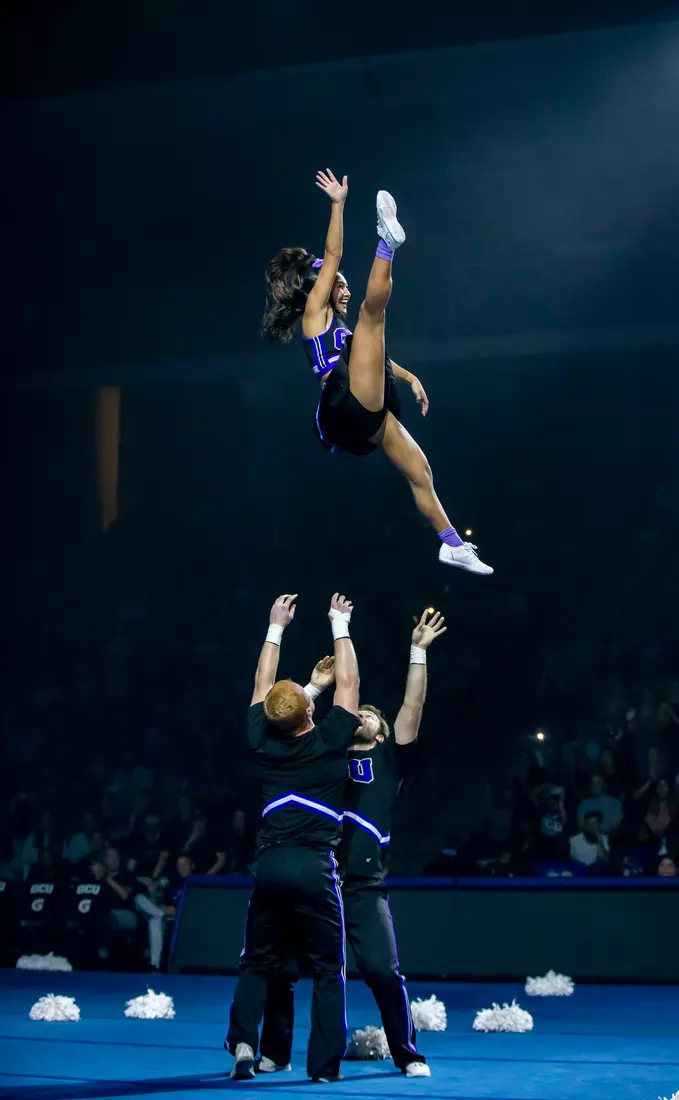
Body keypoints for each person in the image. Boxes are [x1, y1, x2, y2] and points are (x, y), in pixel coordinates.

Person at [261, 169, 492, 577]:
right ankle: (387, 244)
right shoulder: (315, 316)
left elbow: (376, 358)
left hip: (361, 408)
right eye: (341, 285)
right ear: (323, 290)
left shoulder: (346, 332)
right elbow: (332, 257)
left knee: (420, 471)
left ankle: (452, 545)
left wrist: (409, 377)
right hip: (341, 402)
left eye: (348, 283)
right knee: (373, 316)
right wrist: (338, 204)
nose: (345, 290)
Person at [258, 609, 446, 1079]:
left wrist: (417, 652)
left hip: (362, 884)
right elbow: (286, 715)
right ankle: (274, 1052)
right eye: (356, 711)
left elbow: (412, 708)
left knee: (383, 969)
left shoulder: (389, 755)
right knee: (282, 967)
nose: (360, 714)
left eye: (369, 714)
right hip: (315, 877)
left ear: (380, 730)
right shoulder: (324, 750)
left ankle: (407, 1052)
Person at [225, 593, 361, 1084]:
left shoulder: (259, 740)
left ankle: (244, 1042)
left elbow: (263, 687)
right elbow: (350, 681)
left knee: (258, 959)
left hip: (271, 865)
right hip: (314, 866)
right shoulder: (329, 743)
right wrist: (339, 622)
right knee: (328, 968)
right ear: (308, 711)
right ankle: (323, 1067)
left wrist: (274, 627)